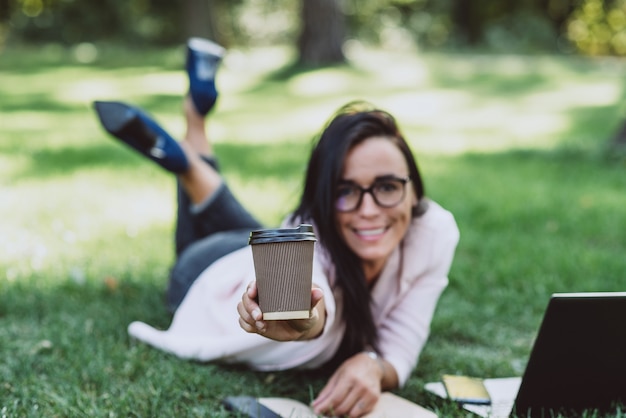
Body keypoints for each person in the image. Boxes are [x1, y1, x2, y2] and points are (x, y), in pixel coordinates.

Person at [93, 37, 459, 418]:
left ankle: (192, 137)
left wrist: (373, 364)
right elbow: (314, 307)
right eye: (345, 191)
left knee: (266, 235)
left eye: (387, 187)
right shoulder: (311, 240)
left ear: (414, 189)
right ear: (322, 199)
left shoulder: (434, 232)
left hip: (254, 246)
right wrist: (299, 318)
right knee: (242, 248)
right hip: (205, 273)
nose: (368, 210)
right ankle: (189, 159)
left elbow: (401, 347)